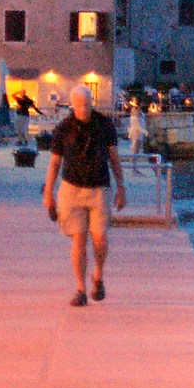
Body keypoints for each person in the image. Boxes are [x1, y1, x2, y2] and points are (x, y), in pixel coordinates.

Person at [43, 85, 125, 307]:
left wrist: (121, 187)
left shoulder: (104, 125)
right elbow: (55, 162)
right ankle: (80, 289)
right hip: (72, 189)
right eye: (80, 105)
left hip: (99, 189)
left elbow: (114, 158)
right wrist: (48, 193)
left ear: (92, 103)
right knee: (78, 238)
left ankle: (98, 275)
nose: (84, 109)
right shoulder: (63, 129)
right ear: (73, 105)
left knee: (100, 238)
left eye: (87, 104)